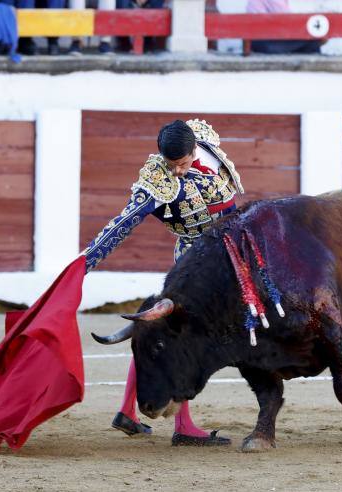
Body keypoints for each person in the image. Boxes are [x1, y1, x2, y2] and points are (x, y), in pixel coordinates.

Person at [84, 119, 242, 446]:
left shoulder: (205, 141)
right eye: (172, 166)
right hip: (194, 265)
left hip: (227, 255)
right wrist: (86, 261)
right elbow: (123, 223)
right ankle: (183, 424)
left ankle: (128, 409)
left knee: (158, 332)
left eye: (182, 164)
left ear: (193, 148)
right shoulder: (157, 179)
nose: (178, 172)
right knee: (186, 338)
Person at [246, 0, 322, 54]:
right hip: (263, 42)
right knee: (312, 41)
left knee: (311, 41)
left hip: (259, 41)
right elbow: (285, 18)